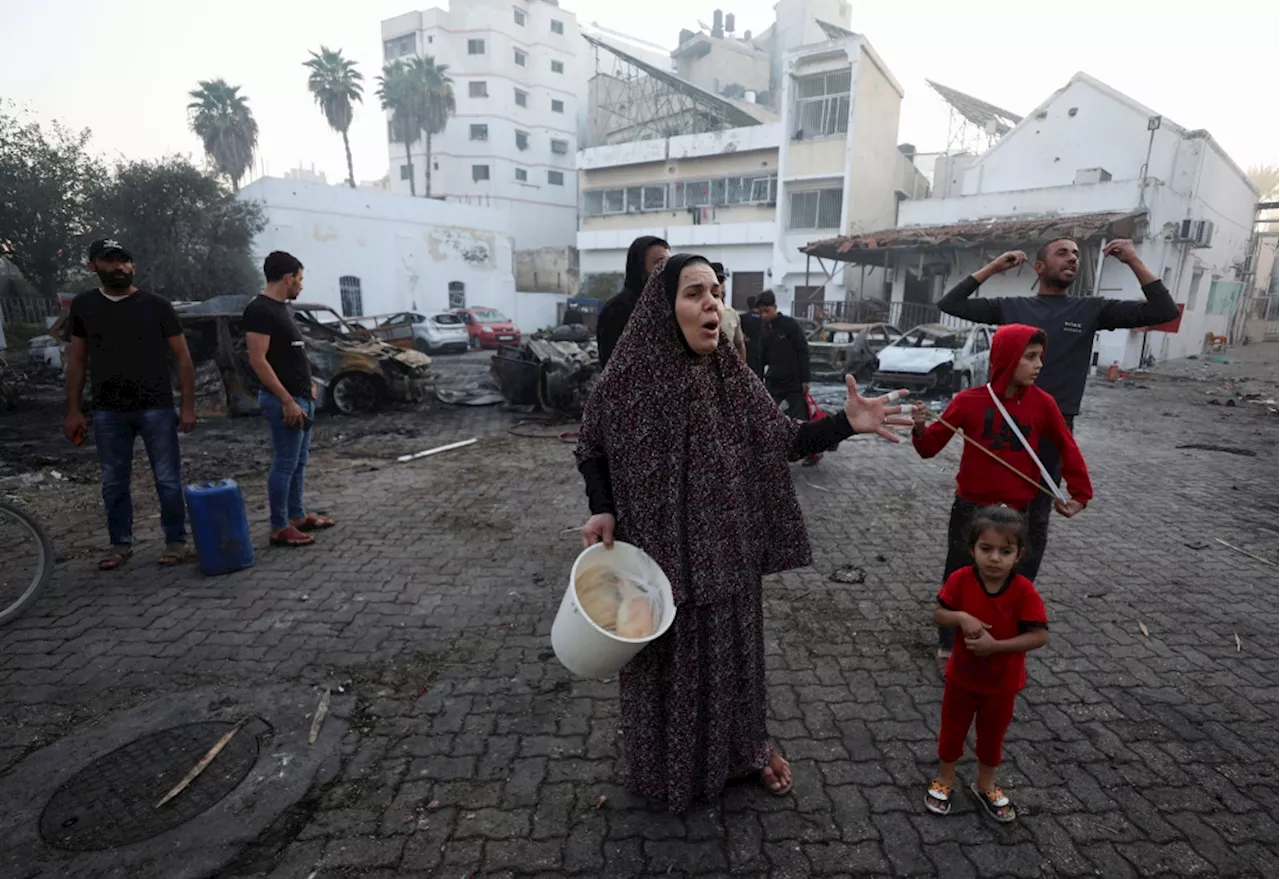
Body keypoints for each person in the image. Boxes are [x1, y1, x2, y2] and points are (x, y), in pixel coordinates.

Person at [576, 253, 910, 812]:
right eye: (694, 292)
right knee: (666, 663)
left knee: (730, 661)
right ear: (663, 309)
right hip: (655, 560)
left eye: (716, 291)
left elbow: (784, 439)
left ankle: (745, 752)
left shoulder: (729, 373)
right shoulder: (623, 380)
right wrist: (603, 506)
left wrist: (845, 424)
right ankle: (667, 764)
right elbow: (593, 447)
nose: (712, 302)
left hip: (724, 551)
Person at [937, 238, 1175, 578]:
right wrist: (994, 266)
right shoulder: (1011, 306)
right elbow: (950, 303)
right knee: (978, 506)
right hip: (1002, 419)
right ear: (1039, 267)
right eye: (1062, 252)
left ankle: (1017, 594)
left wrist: (1134, 260)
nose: (1073, 258)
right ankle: (959, 589)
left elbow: (1163, 312)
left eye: (1077, 253)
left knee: (1035, 516)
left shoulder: (1091, 310)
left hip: (1052, 427)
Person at [910, 323, 1090, 669]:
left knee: (1005, 575)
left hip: (1016, 513)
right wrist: (919, 428)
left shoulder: (1044, 404)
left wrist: (1080, 492)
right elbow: (929, 448)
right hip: (970, 509)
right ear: (1008, 358)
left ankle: (1000, 638)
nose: (1039, 365)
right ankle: (949, 638)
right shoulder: (968, 401)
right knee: (958, 572)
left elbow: (1068, 448)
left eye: (1041, 357)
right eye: (1030, 357)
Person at [64, 238, 197, 571]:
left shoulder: (157, 306)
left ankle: (176, 541)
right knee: (113, 482)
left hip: (156, 406)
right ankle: (120, 544)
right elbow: (77, 361)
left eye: (124, 260)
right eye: (109, 261)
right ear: (93, 266)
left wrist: (188, 406)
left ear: (133, 266)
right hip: (108, 410)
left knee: (167, 479)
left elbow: (183, 357)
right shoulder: (83, 307)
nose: (118, 267)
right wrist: (73, 410)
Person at [925, 506, 1048, 823]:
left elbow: (1038, 636)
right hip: (962, 679)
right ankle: (946, 778)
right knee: (952, 730)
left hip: (1002, 685)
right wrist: (962, 617)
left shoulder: (1024, 591)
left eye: (1005, 551)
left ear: (1018, 554)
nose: (995, 559)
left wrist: (996, 647)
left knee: (992, 737)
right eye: (986, 549)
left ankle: (985, 783)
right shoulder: (961, 580)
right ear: (972, 549)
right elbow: (939, 614)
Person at [243, 252, 334, 548]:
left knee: (299, 462)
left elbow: (291, 353)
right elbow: (257, 360)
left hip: (301, 397)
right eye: (300, 278)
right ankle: (279, 526)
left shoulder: (284, 309)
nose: (301, 285)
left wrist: (307, 383)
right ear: (288, 278)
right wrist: (286, 400)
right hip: (284, 401)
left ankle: (296, 516)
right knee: (284, 463)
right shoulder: (260, 310)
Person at [757, 291, 820, 466]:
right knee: (765, 416)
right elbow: (762, 357)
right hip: (773, 382)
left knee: (802, 420)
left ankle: (812, 452)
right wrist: (758, 379)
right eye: (761, 312)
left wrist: (805, 380)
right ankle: (767, 453)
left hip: (794, 382)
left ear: (775, 308)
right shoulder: (764, 329)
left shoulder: (790, 326)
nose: (764, 315)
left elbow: (803, 351)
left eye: (766, 311)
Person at [596, 235, 670, 368]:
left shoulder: (668, 306)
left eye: (668, 262)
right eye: (659, 263)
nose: (666, 269)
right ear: (640, 268)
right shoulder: (618, 310)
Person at [710, 262, 747, 361]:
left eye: (720, 281)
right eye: (713, 281)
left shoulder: (731, 313)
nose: (717, 285)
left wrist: (741, 371)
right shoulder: (697, 311)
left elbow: (739, 344)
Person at [740, 296, 765, 378]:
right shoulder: (763, 318)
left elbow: (739, 332)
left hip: (747, 349)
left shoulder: (742, 317)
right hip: (760, 348)